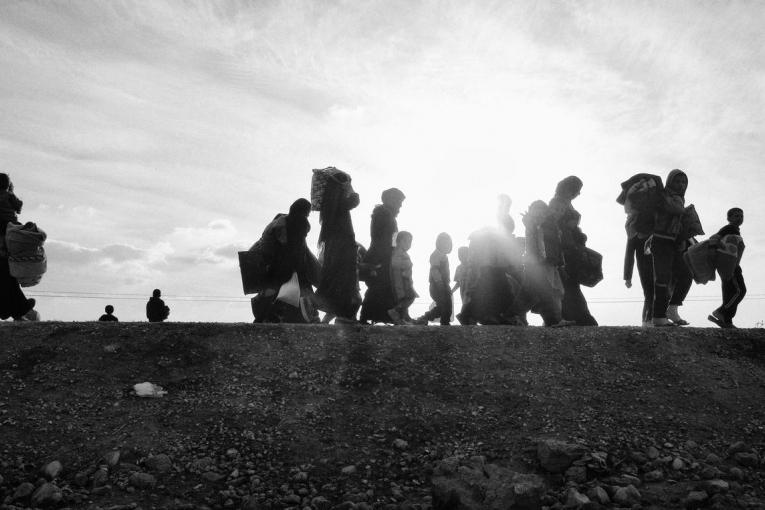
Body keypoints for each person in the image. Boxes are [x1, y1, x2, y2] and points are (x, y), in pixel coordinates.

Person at [248, 198, 319, 323]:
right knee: (300, 293)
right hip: (286, 267)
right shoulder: (298, 223)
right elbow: (297, 251)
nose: (307, 217)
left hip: (273, 267)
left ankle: (264, 318)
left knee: (273, 294)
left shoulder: (279, 222)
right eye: (307, 213)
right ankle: (310, 318)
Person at [314, 167, 361, 323]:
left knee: (337, 281)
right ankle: (345, 316)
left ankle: (340, 316)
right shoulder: (338, 202)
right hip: (343, 247)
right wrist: (349, 187)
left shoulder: (330, 204)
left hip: (336, 247)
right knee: (344, 281)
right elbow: (355, 200)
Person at [548, 176, 597, 326]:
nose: (578, 194)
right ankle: (578, 316)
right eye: (577, 190)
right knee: (568, 285)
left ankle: (574, 315)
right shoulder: (558, 204)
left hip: (570, 249)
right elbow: (560, 228)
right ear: (569, 189)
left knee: (569, 284)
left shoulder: (564, 203)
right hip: (564, 250)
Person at [649, 169, 690, 327]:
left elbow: (677, 222)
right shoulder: (663, 195)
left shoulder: (679, 198)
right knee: (663, 279)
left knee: (686, 275)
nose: (681, 185)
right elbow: (674, 210)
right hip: (660, 242)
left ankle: (672, 310)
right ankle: (658, 316)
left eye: (684, 182)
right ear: (670, 182)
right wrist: (686, 211)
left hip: (674, 243)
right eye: (678, 181)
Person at [521, 200, 571, 327]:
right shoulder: (534, 224)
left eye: (543, 213)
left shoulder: (548, 224)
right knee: (544, 292)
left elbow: (555, 247)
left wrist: (560, 263)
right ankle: (552, 320)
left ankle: (552, 320)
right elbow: (534, 245)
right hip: (537, 264)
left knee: (537, 292)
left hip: (546, 263)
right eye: (538, 213)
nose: (541, 215)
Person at [360, 188, 406, 324]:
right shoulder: (384, 214)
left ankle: (376, 316)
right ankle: (367, 316)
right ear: (390, 199)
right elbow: (386, 239)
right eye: (399, 201)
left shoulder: (385, 214)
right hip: (381, 256)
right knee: (379, 286)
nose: (400, 205)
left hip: (384, 255)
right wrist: (393, 251)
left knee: (381, 287)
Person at [0, 173, 37, 321]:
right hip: (7, 238)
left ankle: (19, 309)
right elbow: (19, 207)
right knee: (8, 277)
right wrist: (11, 191)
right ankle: (19, 309)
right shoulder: (8, 196)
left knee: (6, 278)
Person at [708, 208, 746, 328]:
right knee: (740, 291)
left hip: (729, 264)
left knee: (729, 293)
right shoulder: (729, 228)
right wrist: (715, 250)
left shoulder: (735, 230)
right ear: (729, 218)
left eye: (741, 216)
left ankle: (727, 321)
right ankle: (722, 312)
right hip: (730, 265)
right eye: (736, 216)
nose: (739, 218)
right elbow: (714, 238)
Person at [416, 232, 453, 325]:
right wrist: (439, 282)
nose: (446, 245)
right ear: (439, 243)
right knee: (445, 304)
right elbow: (434, 270)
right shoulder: (436, 255)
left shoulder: (443, 256)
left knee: (445, 305)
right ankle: (443, 322)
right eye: (444, 243)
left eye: (448, 243)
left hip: (444, 284)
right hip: (437, 285)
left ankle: (427, 318)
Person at [388, 231, 418, 324]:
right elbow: (395, 264)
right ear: (399, 241)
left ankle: (403, 318)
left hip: (406, 280)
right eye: (406, 241)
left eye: (410, 242)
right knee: (409, 297)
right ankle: (395, 311)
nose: (409, 244)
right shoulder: (398, 252)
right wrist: (404, 268)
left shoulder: (402, 252)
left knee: (407, 298)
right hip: (401, 281)